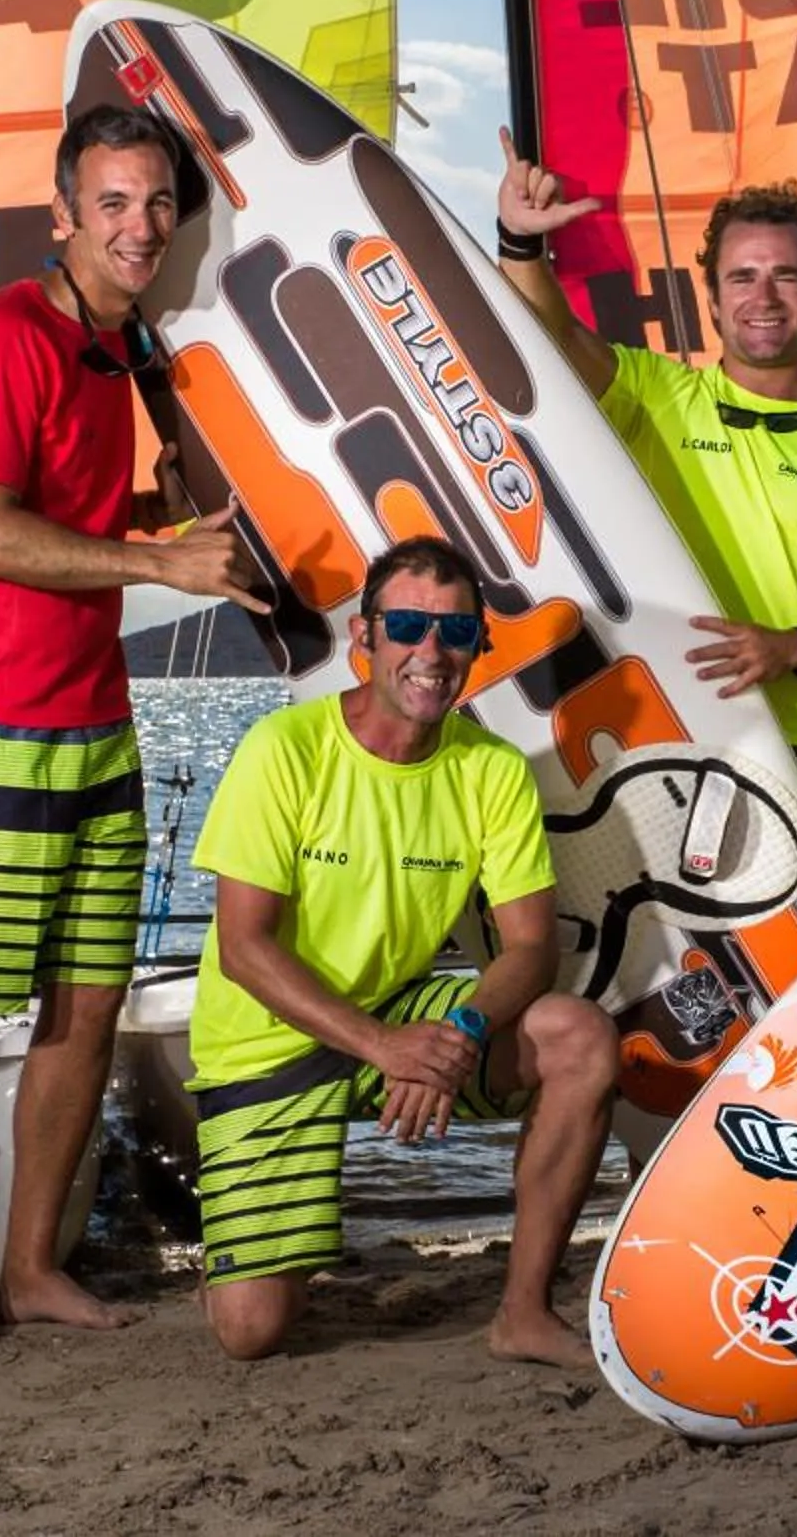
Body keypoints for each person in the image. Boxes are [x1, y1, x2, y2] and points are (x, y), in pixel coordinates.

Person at [0, 102, 264, 1347]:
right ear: (62, 213)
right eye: (111, 201)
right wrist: (156, 564)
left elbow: (145, 498)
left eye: (157, 202)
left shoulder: (136, 354)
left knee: (88, 1000)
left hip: (96, 719)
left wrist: (178, 504)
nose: (138, 225)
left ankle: (35, 1262)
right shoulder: (3, 336)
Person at [189, 535, 618, 1366]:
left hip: (400, 1019)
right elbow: (244, 949)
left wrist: (454, 1035)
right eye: (411, 625)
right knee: (253, 1332)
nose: (432, 651)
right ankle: (246, 1250)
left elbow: (530, 950)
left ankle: (523, 1312)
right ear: (365, 636)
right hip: (266, 1039)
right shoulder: (285, 749)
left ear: (477, 650)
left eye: (456, 633)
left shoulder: (491, 770)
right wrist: (387, 1047)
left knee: (579, 1035)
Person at [493, 132, 797, 897]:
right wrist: (520, 243)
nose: (764, 298)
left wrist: (794, 646)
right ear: (713, 298)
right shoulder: (656, 395)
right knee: (677, 979)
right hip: (666, 734)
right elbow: (548, 337)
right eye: (743, 277)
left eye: (786, 277)